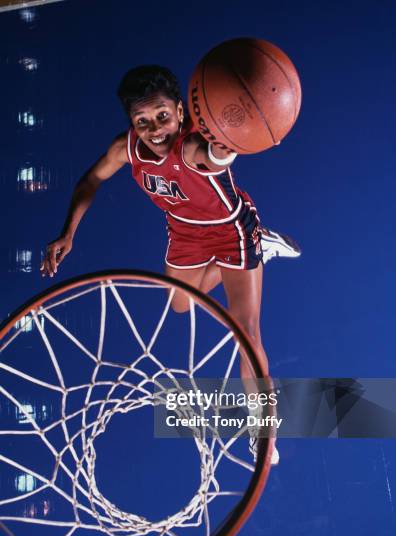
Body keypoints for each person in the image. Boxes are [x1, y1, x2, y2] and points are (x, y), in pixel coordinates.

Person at [41, 66, 301, 464]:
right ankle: (264, 249)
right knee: (181, 304)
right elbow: (91, 179)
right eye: (142, 121)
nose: (155, 128)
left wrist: (234, 136)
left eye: (162, 116)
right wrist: (69, 233)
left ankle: (261, 427)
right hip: (184, 235)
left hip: (230, 230)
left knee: (244, 331)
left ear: (181, 111)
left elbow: (217, 154)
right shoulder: (127, 148)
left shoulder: (195, 145)